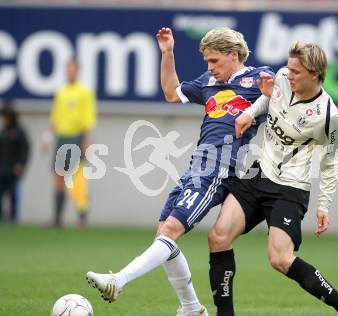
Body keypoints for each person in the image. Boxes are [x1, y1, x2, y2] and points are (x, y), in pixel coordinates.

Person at [86, 27, 273, 316]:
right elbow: (172, 93)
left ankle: (118, 280)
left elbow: (283, 94)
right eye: (207, 62)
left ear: (233, 55)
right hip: (197, 165)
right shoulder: (208, 82)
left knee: (172, 229)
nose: (209, 68)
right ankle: (190, 308)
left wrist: (255, 111)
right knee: (164, 233)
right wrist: (168, 54)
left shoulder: (259, 78)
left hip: (221, 167)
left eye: (214, 61)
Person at [207, 42, 338, 316]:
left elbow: (330, 163)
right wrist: (249, 113)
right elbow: (271, 98)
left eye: (296, 71)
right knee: (218, 236)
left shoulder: (327, 116)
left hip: (289, 189)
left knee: (280, 259)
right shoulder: (282, 77)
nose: (288, 74)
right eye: (289, 68)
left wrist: (324, 205)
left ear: (314, 74)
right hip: (260, 174)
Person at [42, 58, 97, 229]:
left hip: (76, 137)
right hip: (61, 138)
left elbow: (89, 119)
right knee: (58, 178)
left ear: (77, 71)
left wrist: (87, 141)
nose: (70, 72)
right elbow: (55, 117)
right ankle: (57, 219)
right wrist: (47, 137)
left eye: (73, 69)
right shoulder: (61, 92)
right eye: (68, 69)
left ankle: (82, 218)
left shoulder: (85, 92)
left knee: (77, 179)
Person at [0, 101, 30, 223]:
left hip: (13, 169)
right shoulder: (3, 132)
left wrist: (21, 164)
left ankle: (13, 218)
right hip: (2, 168)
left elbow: (25, 149)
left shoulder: (18, 132)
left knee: (13, 194)